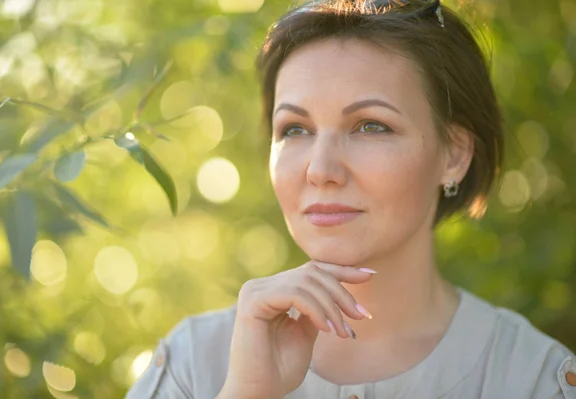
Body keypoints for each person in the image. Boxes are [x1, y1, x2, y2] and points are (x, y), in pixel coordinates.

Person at [126, 0, 576, 398]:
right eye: (295, 130)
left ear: (454, 154)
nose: (320, 170)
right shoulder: (191, 365)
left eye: (371, 125)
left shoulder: (534, 379)